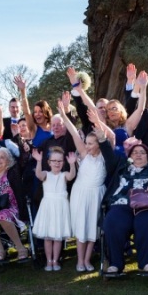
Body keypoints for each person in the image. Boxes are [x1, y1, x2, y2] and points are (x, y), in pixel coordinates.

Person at [100, 140, 148, 275]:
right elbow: (109, 156)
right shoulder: (122, 166)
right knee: (112, 222)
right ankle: (115, 264)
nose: (138, 155)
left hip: (146, 205)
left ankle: (146, 263)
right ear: (130, 156)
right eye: (134, 152)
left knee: (147, 222)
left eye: (142, 153)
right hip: (122, 204)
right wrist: (102, 140)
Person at [58, 98, 105, 272]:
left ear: (98, 144)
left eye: (91, 143)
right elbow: (74, 132)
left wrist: (98, 121)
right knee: (82, 227)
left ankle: (87, 259)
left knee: (93, 227)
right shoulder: (84, 154)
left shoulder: (103, 156)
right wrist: (63, 115)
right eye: (87, 143)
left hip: (97, 193)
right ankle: (80, 260)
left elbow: (106, 133)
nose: (87, 145)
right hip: (81, 193)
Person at [31, 146, 77, 271]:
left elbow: (71, 176)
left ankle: (56, 260)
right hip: (48, 207)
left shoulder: (64, 175)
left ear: (63, 162)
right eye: (54, 161)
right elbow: (38, 174)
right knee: (48, 237)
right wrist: (38, 161)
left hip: (60, 207)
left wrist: (72, 165)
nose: (57, 163)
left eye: (60, 161)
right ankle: (49, 260)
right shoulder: (46, 174)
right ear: (49, 162)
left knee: (57, 237)